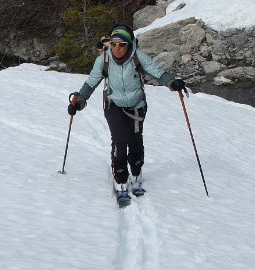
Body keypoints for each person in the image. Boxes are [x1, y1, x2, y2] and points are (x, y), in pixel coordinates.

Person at [67, 24, 187, 202]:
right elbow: (92, 82)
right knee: (120, 141)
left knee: (136, 142)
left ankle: (136, 175)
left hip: (137, 106)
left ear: (129, 44)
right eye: (114, 44)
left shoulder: (138, 56)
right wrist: (80, 101)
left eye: (122, 44)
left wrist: (172, 83)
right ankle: (121, 180)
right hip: (113, 105)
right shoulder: (104, 60)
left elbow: (157, 71)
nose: (117, 48)